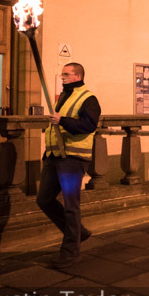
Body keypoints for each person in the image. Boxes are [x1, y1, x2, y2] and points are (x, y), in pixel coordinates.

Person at [37, 62, 100, 269]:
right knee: (44, 199)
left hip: (73, 159)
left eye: (66, 74)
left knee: (71, 206)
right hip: (55, 156)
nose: (62, 76)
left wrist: (62, 120)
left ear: (77, 76)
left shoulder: (88, 98)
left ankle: (70, 251)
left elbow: (88, 126)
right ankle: (78, 233)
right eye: (62, 74)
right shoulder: (65, 95)